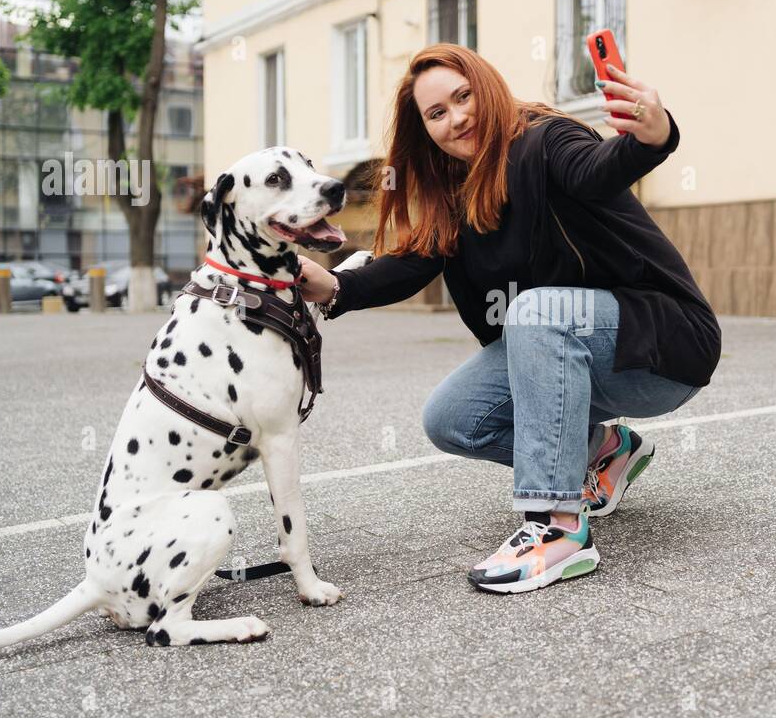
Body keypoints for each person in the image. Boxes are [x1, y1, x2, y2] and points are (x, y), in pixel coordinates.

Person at [298, 44, 721, 594]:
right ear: (425, 130)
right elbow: (415, 262)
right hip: (573, 352)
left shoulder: (545, 139)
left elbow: (598, 170)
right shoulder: (456, 193)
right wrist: (335, 286)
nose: (458, 118)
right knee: (452, 418)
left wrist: (652, 135)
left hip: (663, 344)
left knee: (536, 309)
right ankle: (605, 450)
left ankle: (558, 529)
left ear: (487, 86)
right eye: (437, 113)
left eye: (463, 96)